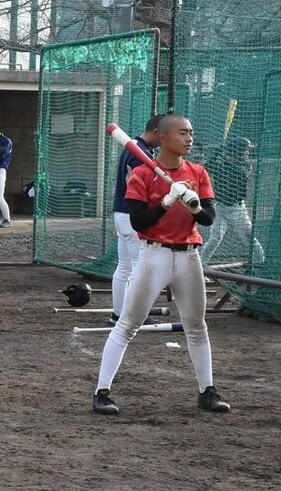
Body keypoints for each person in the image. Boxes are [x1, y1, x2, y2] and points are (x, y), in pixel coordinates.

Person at [92, 114, 230, 417]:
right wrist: (167, 202)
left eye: (191, 133)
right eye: (183, 133)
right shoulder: (142, 174)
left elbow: (208, 219)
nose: (189, 138)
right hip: (153, 255)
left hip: (189, 256)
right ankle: (101, 392)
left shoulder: (198, 172)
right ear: (163, 138)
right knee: (128, 324)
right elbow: (138, 221)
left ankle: (207, 391)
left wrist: (194, 205)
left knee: (196, 325)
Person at [110, 115, 164, 324]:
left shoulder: (134, 147)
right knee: (136, 269)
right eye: (163, 137)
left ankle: (119, 313)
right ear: (155, 133)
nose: (163, 142)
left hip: (121, 213)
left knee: (124, 267)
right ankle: (131, 317)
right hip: (132, 214)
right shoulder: (139, 153)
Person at [200, 136, 264, 266]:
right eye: (245, 150)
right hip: (219, 207)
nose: (248, 153)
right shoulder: (220, 165)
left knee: (248, 236)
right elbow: (205, 169)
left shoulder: (246, 166)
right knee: (215, 238)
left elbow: (239, 173)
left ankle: (262, 262)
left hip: (238, 209)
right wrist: (217, 152)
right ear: (237, 152)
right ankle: (202, 264)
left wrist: (226, 160)